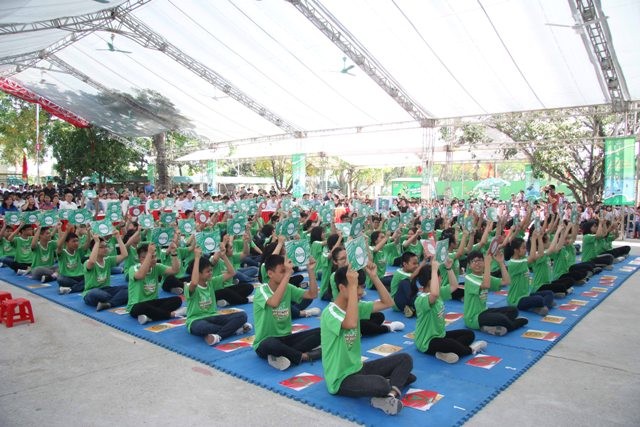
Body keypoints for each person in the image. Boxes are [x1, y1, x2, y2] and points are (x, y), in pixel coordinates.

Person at [321, 266, 415, 416]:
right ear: (342, 287)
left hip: (359, 368)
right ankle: (393, 384)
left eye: (362, 287)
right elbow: (350, 323)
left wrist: (374, 277)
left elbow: (388, 303)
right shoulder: (330, 312)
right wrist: (353, 287)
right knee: (383, 383)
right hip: (341, 379)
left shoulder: (355, 306)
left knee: (405, 359)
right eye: (355, 287)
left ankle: (389, 396)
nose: (360, 291)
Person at [253, 254, 321, 371]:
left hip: (286, 339)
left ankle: (283, 355)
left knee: (321, 332)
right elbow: (274, 302)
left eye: (287, 271)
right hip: (266, 342)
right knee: (270, 344)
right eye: (282, 271)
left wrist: (311, 271)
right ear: (270, 274)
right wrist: (288, 274)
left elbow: (312, 295)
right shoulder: (261, 290)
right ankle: (303, 356)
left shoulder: (288, 287)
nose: (286, 274)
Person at [415, 255, 487, 363]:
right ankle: (470, 349)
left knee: (468, 334)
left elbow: (454, 285)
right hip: (427, 342)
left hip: (440, 336)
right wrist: (434, 270)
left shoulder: (439, 293)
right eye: (439, 277)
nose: (441, 279)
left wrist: (449, 268)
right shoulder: (421, 299)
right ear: (431, 280)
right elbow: (433, 295)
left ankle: (442, 353)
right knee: (451, 344)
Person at [185, 247, 252, 346]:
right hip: (196, 320)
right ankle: (235, 329)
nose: (211, 273)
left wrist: (223, 255)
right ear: (198, 273)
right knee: (204, 327)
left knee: (242, 315)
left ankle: (219, 336)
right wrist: (197, 258)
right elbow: (194, 282)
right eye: (208, 271)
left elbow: (232, 273)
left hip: (214, 317)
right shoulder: (188, 286)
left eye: (211, 270)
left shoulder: (211, 282)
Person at [464, 250, 528, 336]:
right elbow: (486, 285)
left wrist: (501, 263)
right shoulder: (469, 278)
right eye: (474, 261)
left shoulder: (485, 276)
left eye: (480, 260)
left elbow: (506, 281)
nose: (477, 263)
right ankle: (513, 324)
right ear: (469, 266)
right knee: (501, 319)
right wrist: (487, 265)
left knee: (513, 310)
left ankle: (489, 326)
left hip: (484, 311)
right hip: (473, 318)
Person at [127, 242, 184, 324]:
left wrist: (174, 253)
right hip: (137, 305)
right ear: (141, 259)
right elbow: (141, 275)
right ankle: (170, 314)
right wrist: (149, 253)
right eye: (151, 257)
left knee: (177, 300)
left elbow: (175, 270)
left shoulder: (157, 267)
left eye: (155, 256)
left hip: (153, 303)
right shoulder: (133, 268)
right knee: (141, 307)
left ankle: (150, 317)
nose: (154, 259)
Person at [507, 234, 555, 316]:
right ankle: (539, 306)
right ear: (516, 250)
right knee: (539, 299)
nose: (525, 250)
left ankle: (540, 306)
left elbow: (540, 254)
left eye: (525, 247)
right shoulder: (513, 263)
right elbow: (532, 257)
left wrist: (539, 238)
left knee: (549, 293)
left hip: (526, 295)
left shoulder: (522, 260)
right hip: (516, 300)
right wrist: (533, 241)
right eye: (523, 248)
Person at [83, 233, 129, 311]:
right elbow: (92, 262)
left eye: (106, 246)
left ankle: (108, 304)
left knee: (128, 288)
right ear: (94, 249)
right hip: (92, 292)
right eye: (102, 247)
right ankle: (117, 299)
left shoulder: (108, 260)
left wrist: (118, 237)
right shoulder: (87, 262)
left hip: (107, 289)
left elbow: (124, 255)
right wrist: (97, 242)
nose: (105, 249)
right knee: (95, 293)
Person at [56, 226, 90, 294]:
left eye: (77, 241)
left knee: (90, 278)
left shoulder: (78, 251)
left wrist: (88, 232)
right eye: (73, 241)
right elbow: (59, 246)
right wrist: (67, 231)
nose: (76, 243)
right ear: (67, 243)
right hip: (68, 278)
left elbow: (87, 244)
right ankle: (81, 286)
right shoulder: (62, 253)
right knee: (60, 279)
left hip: (80, 276)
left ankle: (70, 289)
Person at [390, 251, 425, 317]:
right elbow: (412, 276)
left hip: (407, 298)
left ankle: (411, 309)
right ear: (405, 264)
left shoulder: (410, 272)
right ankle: (415, 307)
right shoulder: (399, 273)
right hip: (397, 302)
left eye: (418, 263)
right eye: (414, 264)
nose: (417, 266)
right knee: (405, 282)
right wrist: (424, 261)